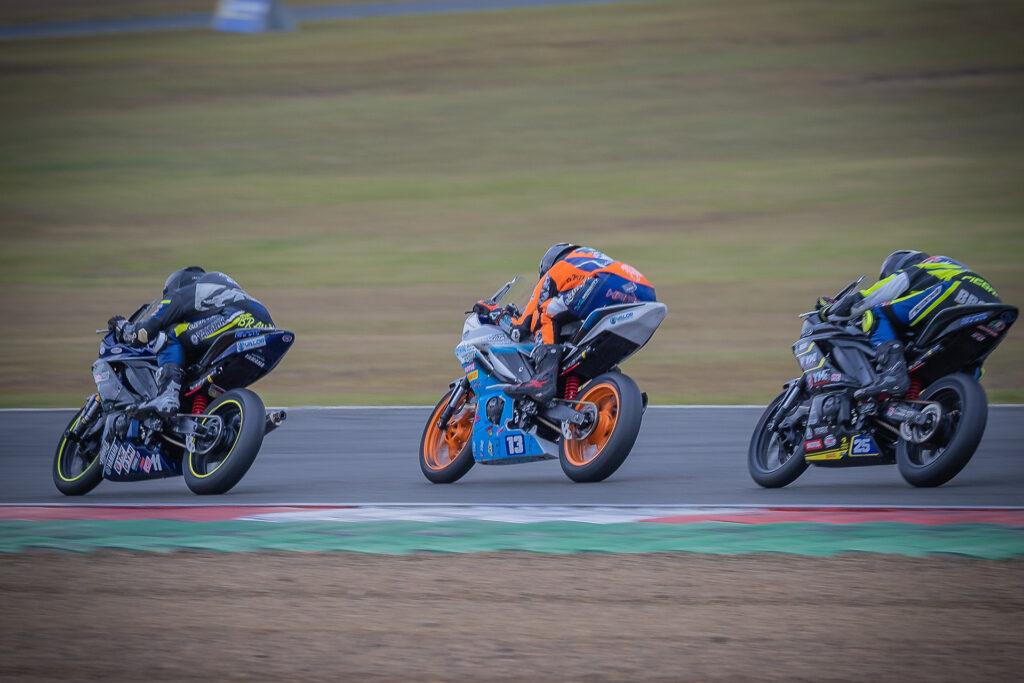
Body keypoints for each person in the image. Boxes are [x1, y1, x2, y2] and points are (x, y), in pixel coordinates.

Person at [476, 244, 656, 403]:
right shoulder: (590, 263)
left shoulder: (556, 271)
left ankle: (543, 380)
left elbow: (519, 329)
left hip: (607, 283)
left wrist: (495, 312)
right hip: (646, 292)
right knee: (589, 337)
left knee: (545, 311)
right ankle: (614, 392)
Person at [822, 250, 1001, 398]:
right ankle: (953, 401)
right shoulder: (949, 270)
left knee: (877, 314)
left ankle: (893, 373)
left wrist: (834, 310)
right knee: (971, 360)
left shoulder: (921, 268)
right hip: (995, 311)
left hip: (958, 291)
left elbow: (875, 296)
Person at [108, 267, 274, 415]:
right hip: (267, 330)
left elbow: (144, 332)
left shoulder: (182, 293)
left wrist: (123, 328)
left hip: (237, 320)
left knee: (169, 334)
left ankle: (168, 394)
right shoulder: (217, 291)